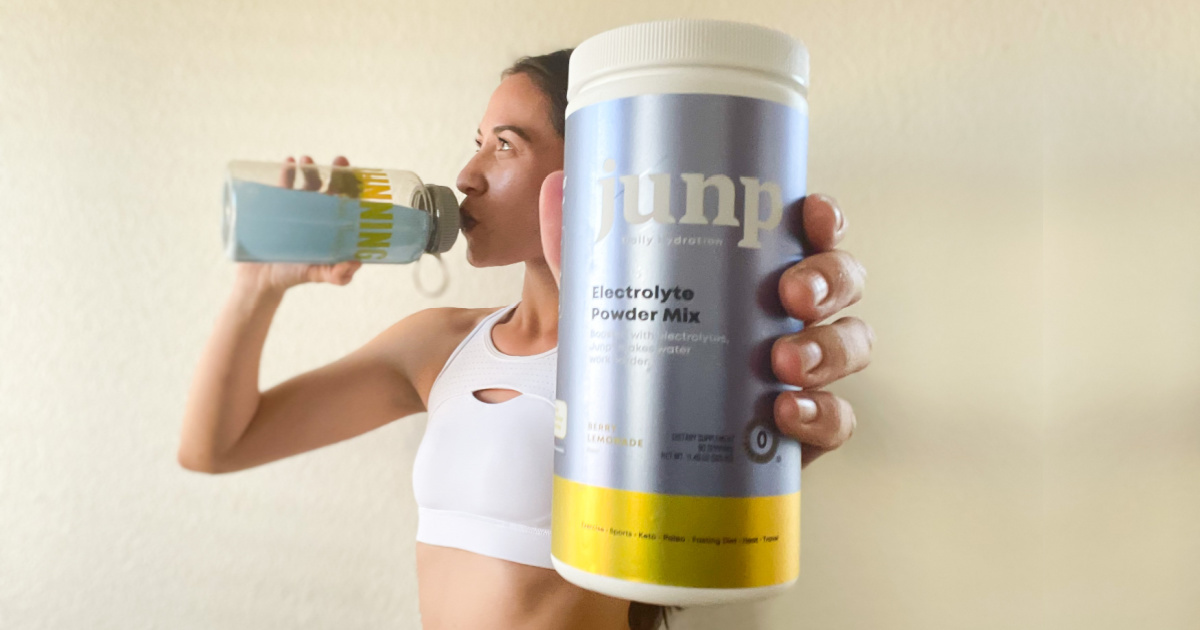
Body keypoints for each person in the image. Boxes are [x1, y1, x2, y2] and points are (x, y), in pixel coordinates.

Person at [178, 48, 873, 630]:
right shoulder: (441, 344)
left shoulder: (659, 352)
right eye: (476, 142)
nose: (466, 175)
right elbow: (218, 446)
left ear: (600, 161)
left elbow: (688, 548)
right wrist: (259, 286)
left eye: (505, 144)